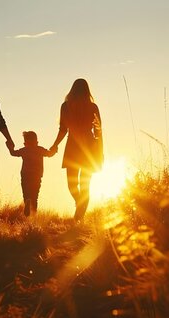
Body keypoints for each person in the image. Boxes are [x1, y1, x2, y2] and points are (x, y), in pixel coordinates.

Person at [50, 79, 103, 221]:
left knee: (72, 184)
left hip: (73, 145)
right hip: (89, 147)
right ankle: (80, 210)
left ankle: (78, 217)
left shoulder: (66, 106)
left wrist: (55, 145)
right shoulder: (93, 107)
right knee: (85, 185)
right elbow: (98, 133)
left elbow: (62, 129)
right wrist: (100, 152)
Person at [7, 131, 55, 216]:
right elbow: (50, 154)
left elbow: (13, 153)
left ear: (25, 142)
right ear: (36, 141)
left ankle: (27, 204)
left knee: (26, 193)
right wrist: (55, 149)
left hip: (25, 175)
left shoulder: (24, 150)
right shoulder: (40, 149)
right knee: (35, 195)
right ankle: (33, 215)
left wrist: (10, 147)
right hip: (37, 175)